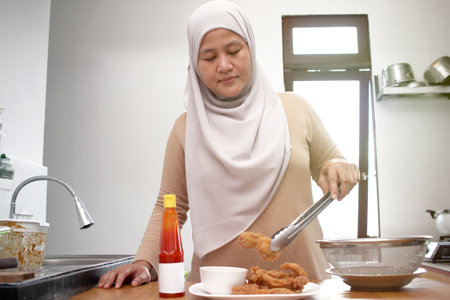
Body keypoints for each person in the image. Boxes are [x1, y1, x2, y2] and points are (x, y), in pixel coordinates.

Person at [97, 0, 360, 289]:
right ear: (195, 65)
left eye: (234, 51)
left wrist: (339, 167)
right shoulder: (185, 129)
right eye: (209, 57)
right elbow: (169, 205)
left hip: (303, 285)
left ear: (251, 48)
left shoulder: (295, 109)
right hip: (216, 290)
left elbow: (330, 162)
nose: (224, 65)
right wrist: (144, 262)